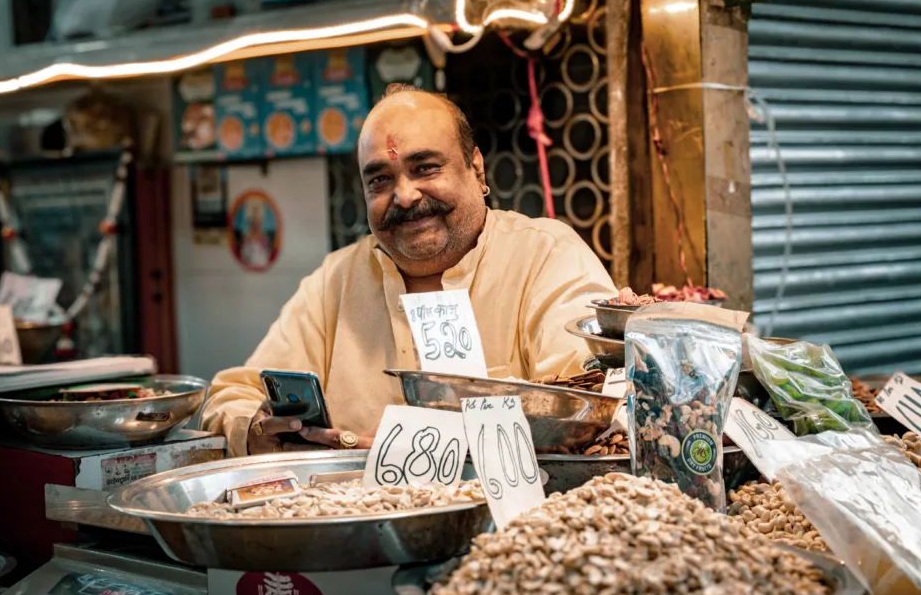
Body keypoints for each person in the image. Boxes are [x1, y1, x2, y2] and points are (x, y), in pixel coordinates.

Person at [202, 84, 617, 455]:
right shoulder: (336, 280)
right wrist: (257, 433)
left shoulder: (546, 256)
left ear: (476, 168)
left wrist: (416, 452)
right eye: (379, 180)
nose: (403, 195)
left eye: (426, 168)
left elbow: (590, 412)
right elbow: (232, 396)